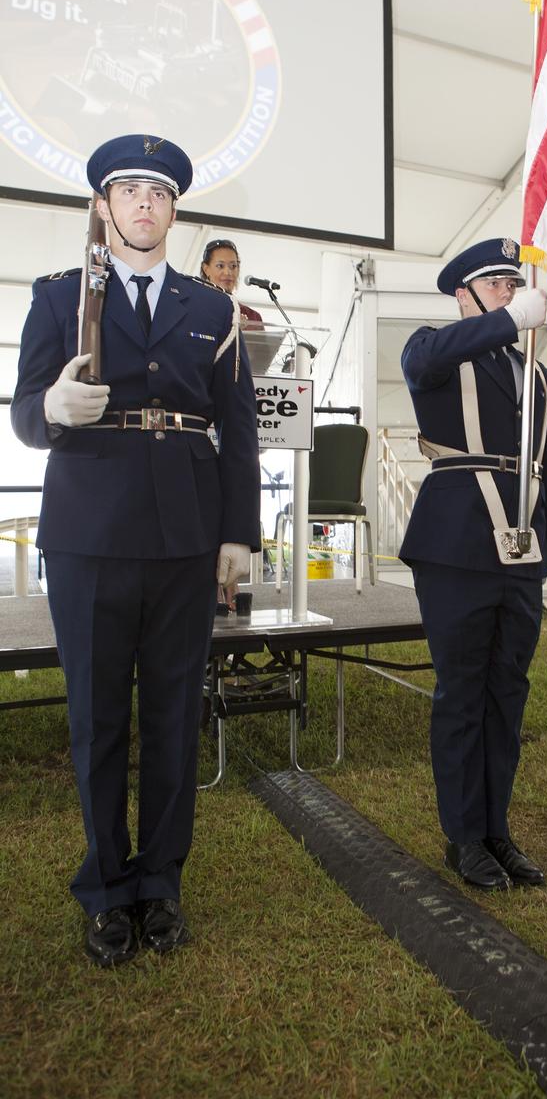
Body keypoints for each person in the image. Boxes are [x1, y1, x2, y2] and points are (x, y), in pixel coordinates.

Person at [11, 134, 261, 967]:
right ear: (105, 206)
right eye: (129, 191)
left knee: (172, 714)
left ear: (174, 210)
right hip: (89, 532)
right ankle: (105, 887)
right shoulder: (57, 299)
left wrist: (237, 535)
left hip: (187, 534)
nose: (145, 204)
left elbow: (238, 431)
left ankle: (161, 881)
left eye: (159, 192)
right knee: (97, 718)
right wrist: (53, 407)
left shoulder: (212, 309)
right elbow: (21, 417)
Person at [399, 238, 547, 890]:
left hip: (519, 548)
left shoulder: (537, 376)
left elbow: (544, 470)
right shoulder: (432, 346)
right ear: (463, 294)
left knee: (506, 692)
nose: (508, 294)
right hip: (458, 541)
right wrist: (506, 321)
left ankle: (496, 828)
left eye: (510, 286)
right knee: (463, 691)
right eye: (494, 285)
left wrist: (542, 552)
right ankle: (463, 836)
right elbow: (427, 359)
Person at [200, 238, 264, 328]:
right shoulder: (195, 307)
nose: (228, 272)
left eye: (233, 266)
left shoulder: (252, 317)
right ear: (206, 269)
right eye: (220, 266)